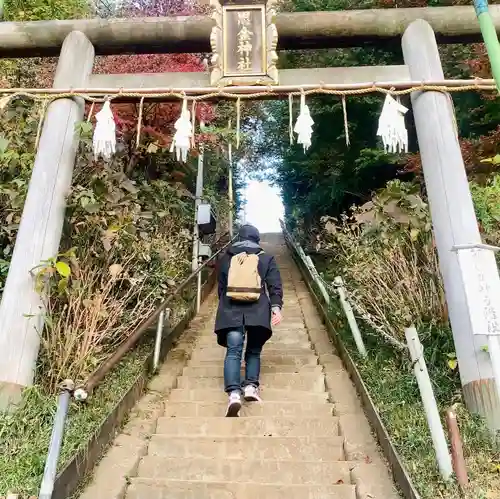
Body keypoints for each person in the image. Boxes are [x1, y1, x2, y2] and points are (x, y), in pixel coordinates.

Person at [214, 224, 283, 417]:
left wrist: (226, 306)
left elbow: (221, 288)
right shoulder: (266, 258)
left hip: (231, 311)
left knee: (233, 351)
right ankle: (251, 387)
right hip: (258, 311)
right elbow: (274, 285)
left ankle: (234, 394)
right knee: (253, 350)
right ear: (256, 239)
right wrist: (276, 308)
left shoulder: (226, 258)